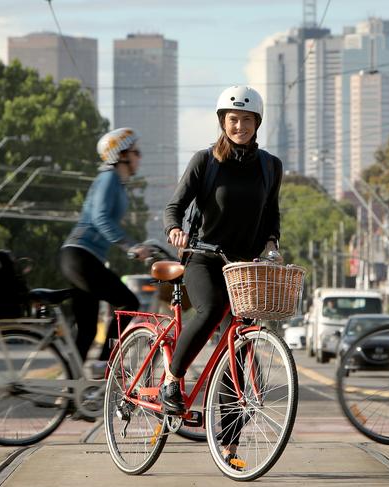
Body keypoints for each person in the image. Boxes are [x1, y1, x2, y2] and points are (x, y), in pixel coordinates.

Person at [162, 85, 283, 464]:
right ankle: (171, 378)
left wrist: (273, 245)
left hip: (242, 267)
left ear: (257, 123)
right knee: (211, 308)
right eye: (233, 119)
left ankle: (229, 444)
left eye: (247, 120)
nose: (240, 125)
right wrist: (174, 230)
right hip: (203, 258)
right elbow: (175, 206)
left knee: (240, 347)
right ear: (222, 122)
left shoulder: (270, 166)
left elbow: (271, 214)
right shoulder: (205, 162)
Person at [60, 127, 150, 376]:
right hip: (80, 256)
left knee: (87, 330)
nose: (139, 157)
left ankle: (70, 395)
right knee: (128, 301)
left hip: (80, 257)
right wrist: (130, 246)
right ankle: (103, 362)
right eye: (136, 152)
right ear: (121, 155)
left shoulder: (117, 184)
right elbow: (100, 217)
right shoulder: (108, 177)